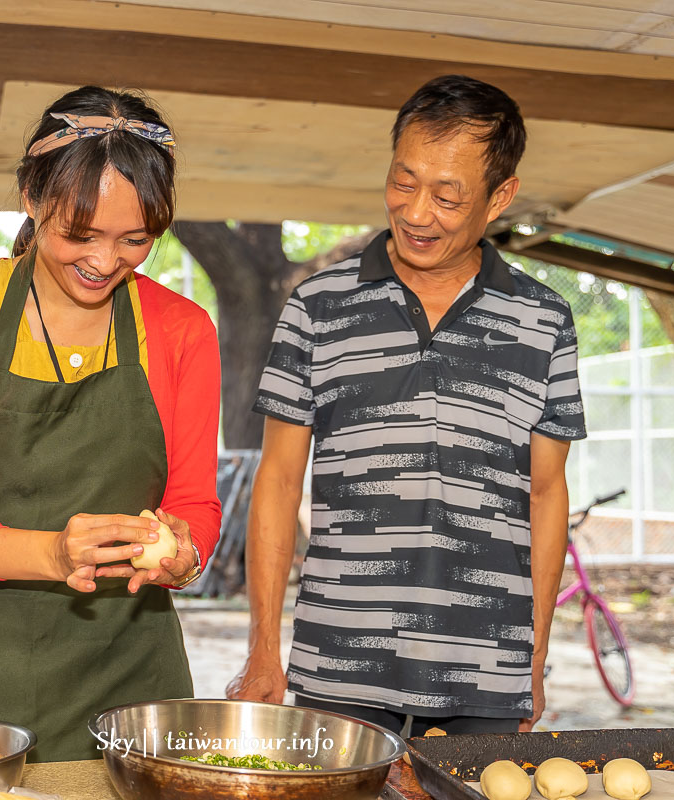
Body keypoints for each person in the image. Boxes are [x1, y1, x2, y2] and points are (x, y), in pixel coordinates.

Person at [227, 75, 586, 736]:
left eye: (448, 196)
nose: (418, 213)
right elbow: (277, 480)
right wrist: (264, 650)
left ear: (500, 197)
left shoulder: (545, 321)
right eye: (404, 181)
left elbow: (545, 492)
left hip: (486, 672)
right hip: (339, 665)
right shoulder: (317, 308)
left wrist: (532, 658)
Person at [0, 86, 221, 762]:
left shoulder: (183, 331)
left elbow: (193, 505)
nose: (105, 262)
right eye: (80, 234)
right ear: (32, 199)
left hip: (131, 674)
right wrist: (53, 554)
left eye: (136, 240)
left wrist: (184, 554)